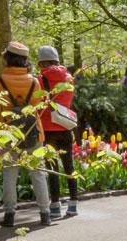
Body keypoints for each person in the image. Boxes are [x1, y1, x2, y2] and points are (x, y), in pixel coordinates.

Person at [0, 41, 53, 227]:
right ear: (25, 60)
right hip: (32, 132)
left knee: (10, 174)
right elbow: (40, 106)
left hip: (9, 133)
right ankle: (45, 214)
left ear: (7, 58)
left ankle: (9, 215)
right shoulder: (34, 82)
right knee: (38, 173)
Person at [37, 45, 79, 220]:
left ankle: (55, 207)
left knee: (52, 169)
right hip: (66, 126)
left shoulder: (40, 80)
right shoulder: (69, 79)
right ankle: (73, 205)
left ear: (42, 63)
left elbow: (38, 103)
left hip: (48, 129)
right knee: (69, 167)